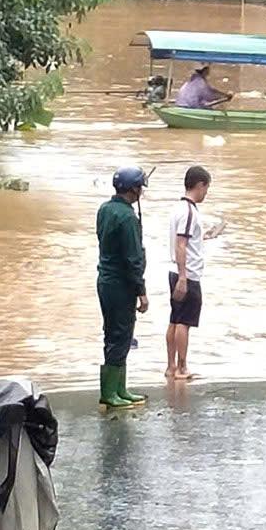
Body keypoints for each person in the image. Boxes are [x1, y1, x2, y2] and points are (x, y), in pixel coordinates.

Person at [96, 166, 149, 408]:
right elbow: (133, 259)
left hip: (105, 281)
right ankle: (111, 392)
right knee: (121, 335)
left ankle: (118, 389)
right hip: (121, 284)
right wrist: (142, 291)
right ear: (134, 189)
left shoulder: (105, 209)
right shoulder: (128, 218)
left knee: (112, 334)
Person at [168, 165, 224, 380]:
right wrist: (184, 277)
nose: (206, 194)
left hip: (175, 270)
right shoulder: (190, 212)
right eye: (206, 189)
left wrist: (205, 237)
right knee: (184, 322)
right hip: (187, 274)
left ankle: (171, 367)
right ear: (200, 185)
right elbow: (181, 244)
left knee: (174, 319)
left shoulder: (177, 209)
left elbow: (184, 241)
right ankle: (182, 368)